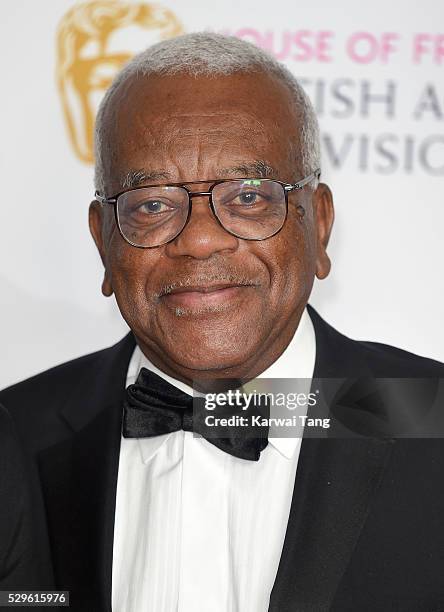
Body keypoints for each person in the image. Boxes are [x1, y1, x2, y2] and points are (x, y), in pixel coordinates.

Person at [1, 32, 444, 612]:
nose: (201, 240)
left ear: (320, 226)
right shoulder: (18, 436)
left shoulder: (432, 419)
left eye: (251, 197)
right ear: (103, 242)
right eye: (152, 204)